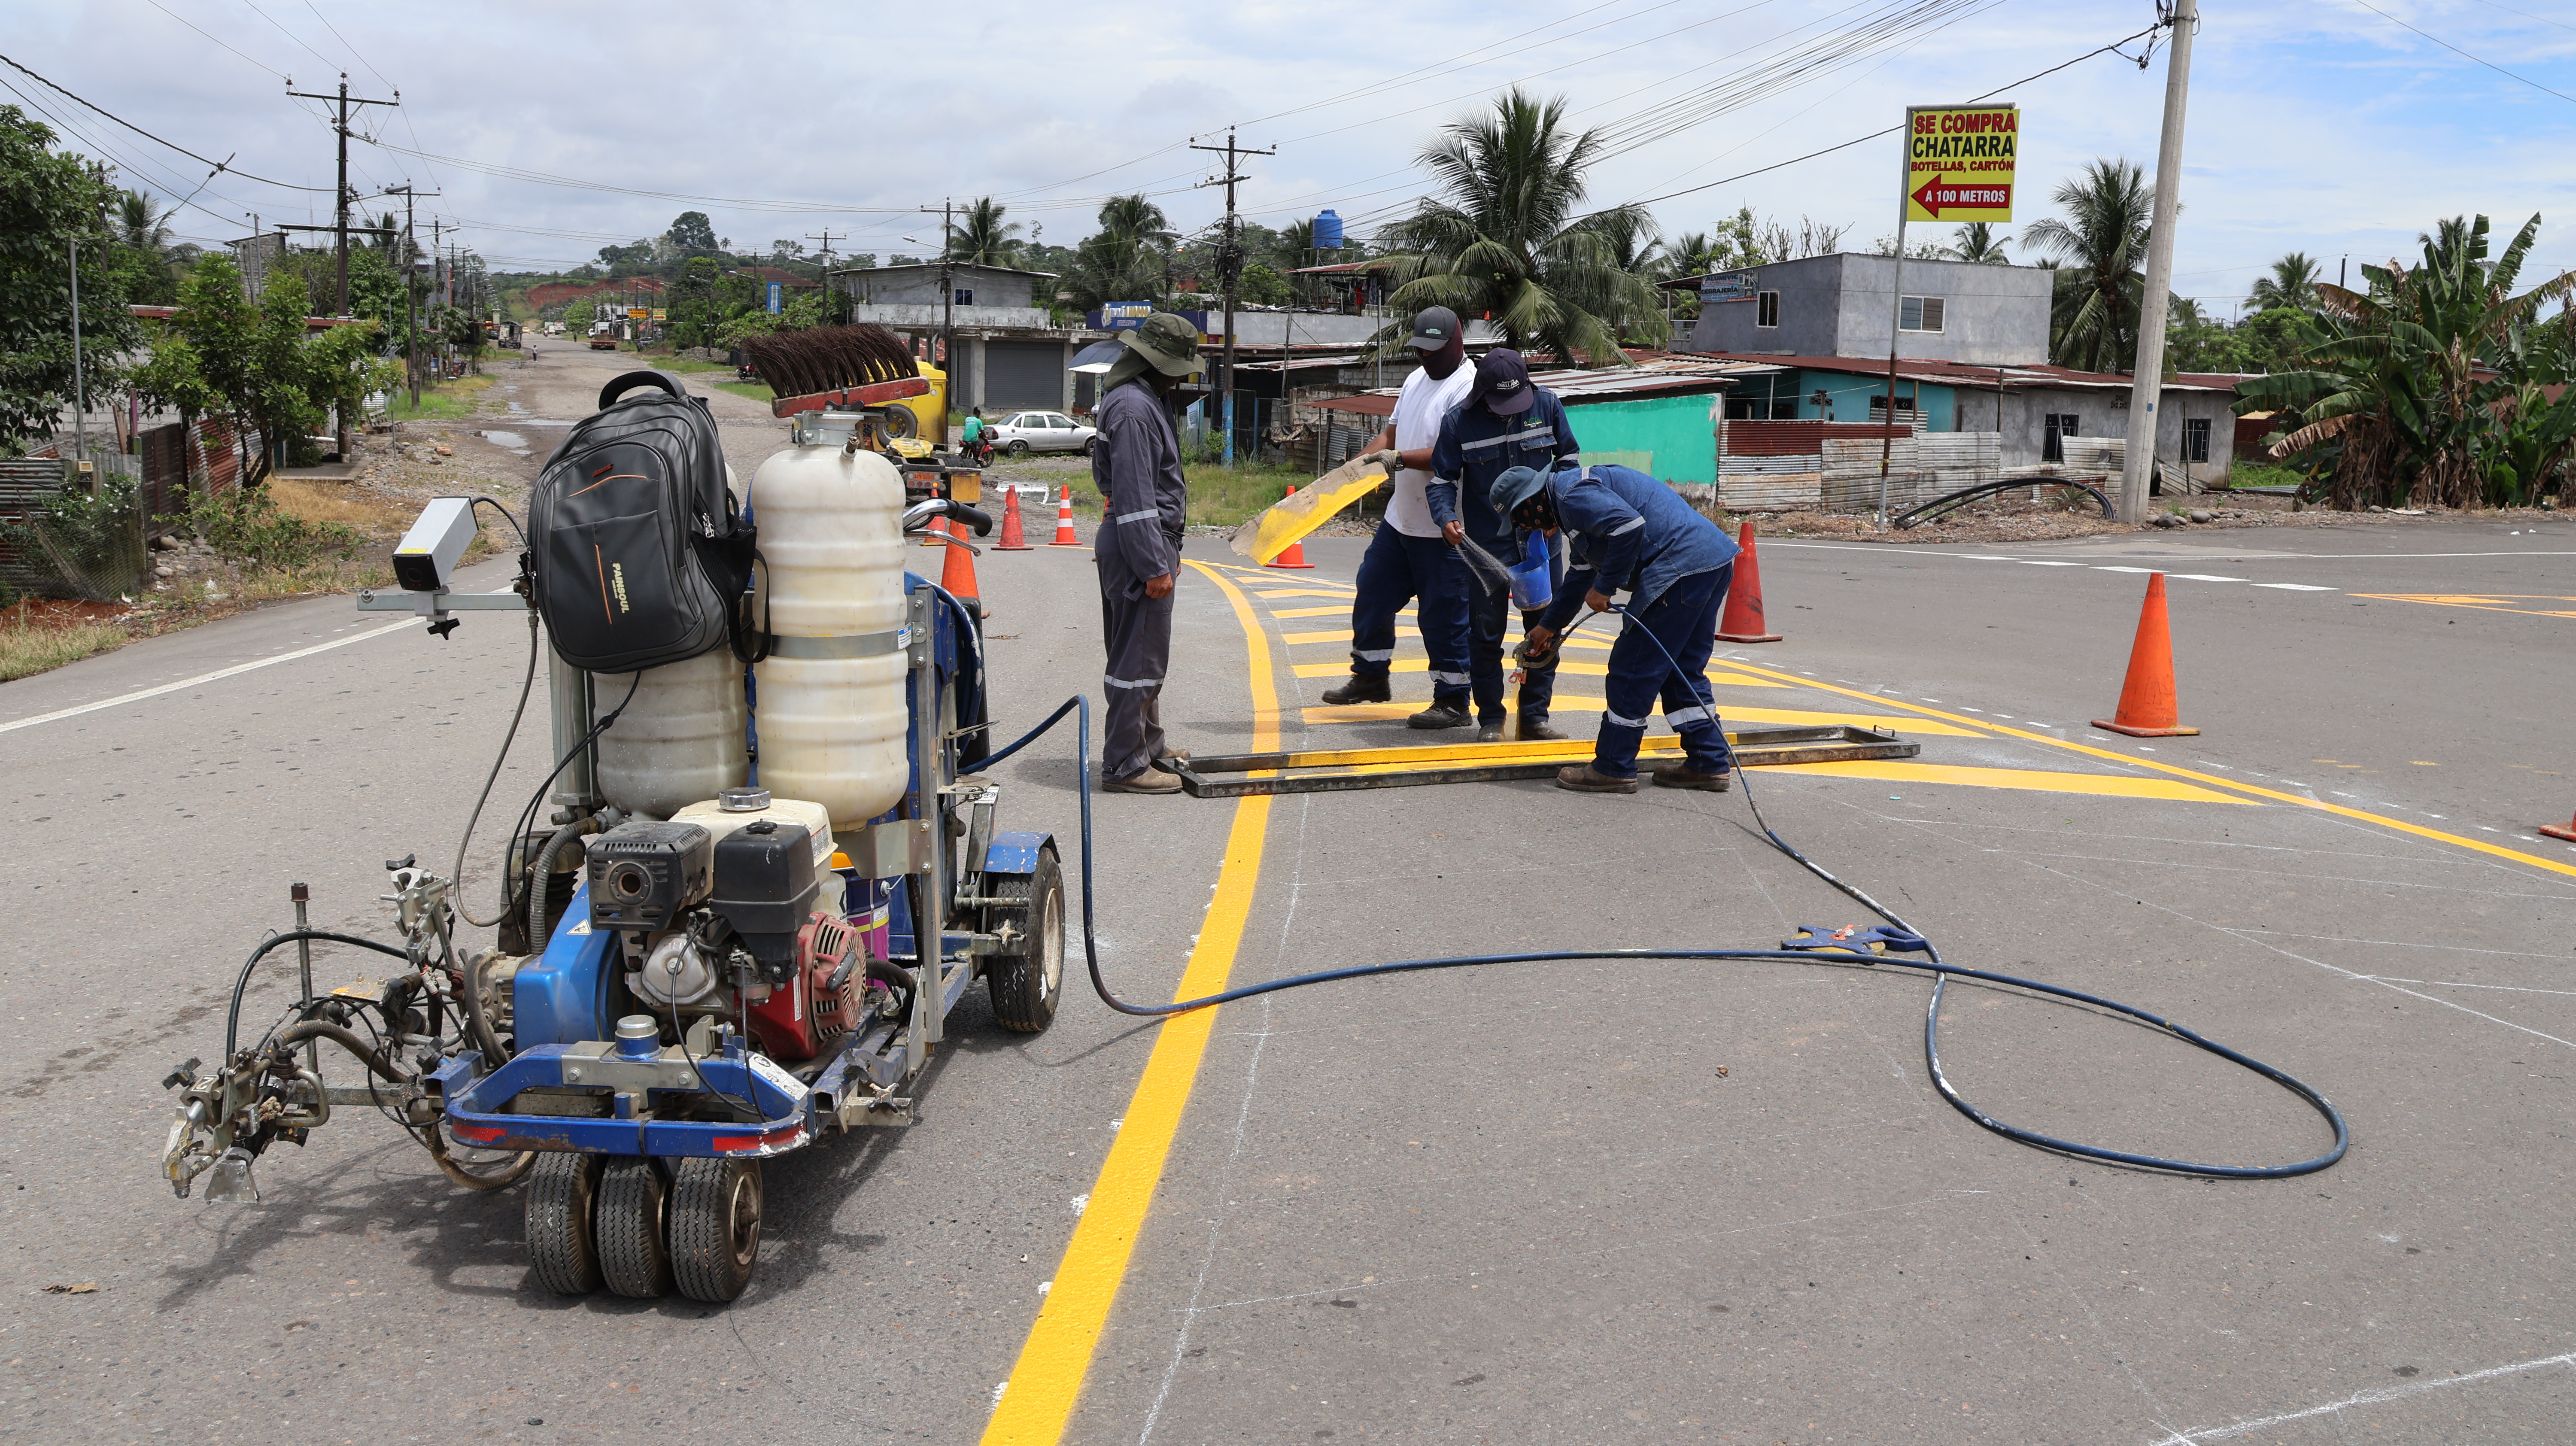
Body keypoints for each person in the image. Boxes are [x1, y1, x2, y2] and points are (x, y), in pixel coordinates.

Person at [1492, 462, 1743, 794]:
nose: (1525, 528)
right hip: (1709, 561)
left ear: (1533, 501)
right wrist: (1547, 627)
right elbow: (1580, 576)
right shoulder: (1572, 509)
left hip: (1679, 568)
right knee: (1681, 669)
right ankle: (1708, 762)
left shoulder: (1570, 495)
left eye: (1521, 519)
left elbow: (1628, 527)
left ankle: (1613, 766)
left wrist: (1606, 587)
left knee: (1632, 667)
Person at [1318, 306, 1479, 728]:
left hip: (1445, 528)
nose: (1425, 357)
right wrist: (1363, 463)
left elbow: (1452, 455)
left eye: (1433, 350)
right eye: (1420, 349)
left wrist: (1396, 460)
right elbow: (1391, 434)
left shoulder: (1468, 388)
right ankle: (1370, 676)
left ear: (1456, 343)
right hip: (1400, 520)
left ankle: (1453, 700)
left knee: (1443, 617)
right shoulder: (1414, 380)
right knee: (1372, 592)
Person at [1425, 349, 1580, 743]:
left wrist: (1558, 513)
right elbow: (1442, 481)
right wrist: (1445, 518)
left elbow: (1569, 462)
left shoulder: (1547, 405)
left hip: (1540, 544)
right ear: (1482, 393)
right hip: (1487, 551)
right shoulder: (1458, 422)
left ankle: (1534, 718)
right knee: (1485, 635)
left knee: (1545, 631)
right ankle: (1492, 719)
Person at [1090, 313, 1204, 795]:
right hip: (1141, 542)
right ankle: (1126, 764)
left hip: (1140, 540)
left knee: (1141, 655)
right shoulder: (1135, 408)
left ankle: (1148, 746)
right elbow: (1136, 498)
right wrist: (1154, 564)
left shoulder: (1138, 400)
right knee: (1137, 660)